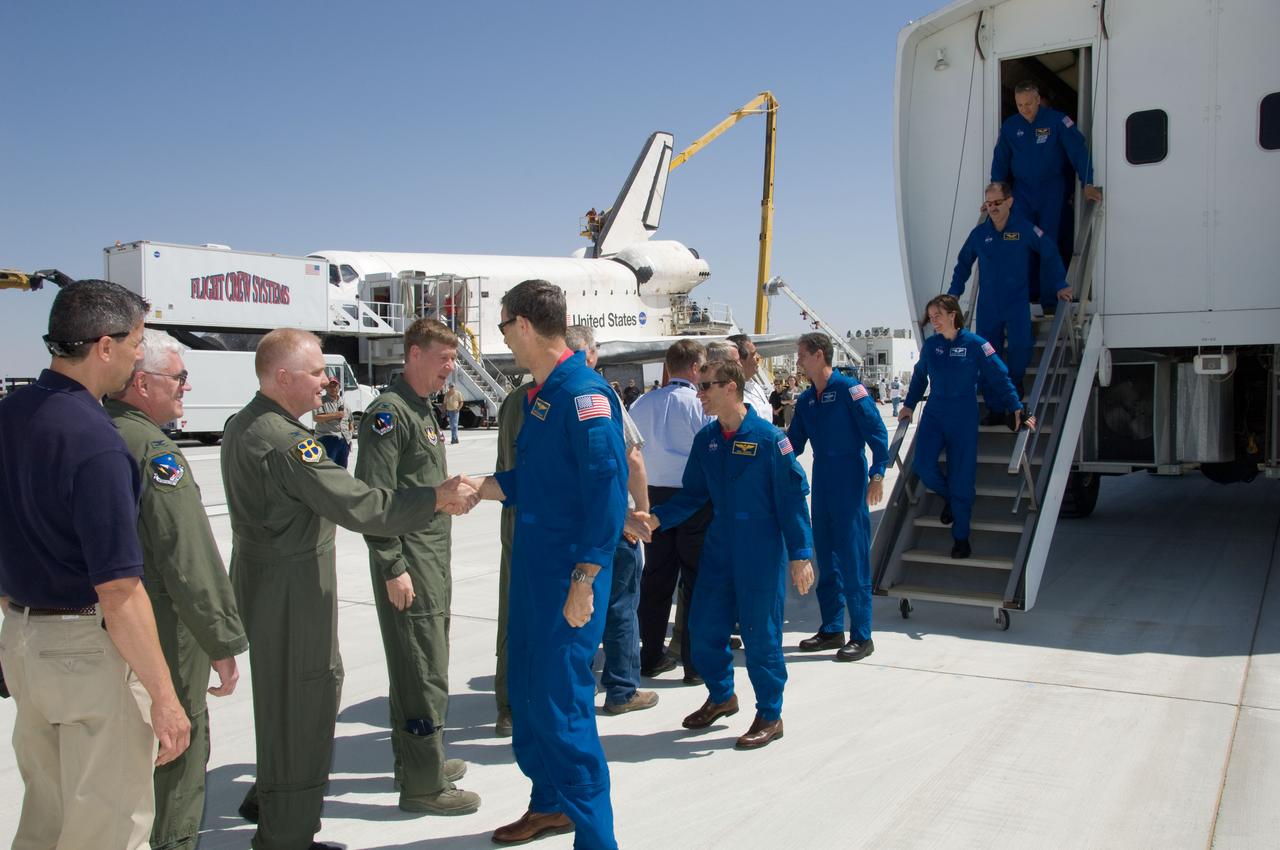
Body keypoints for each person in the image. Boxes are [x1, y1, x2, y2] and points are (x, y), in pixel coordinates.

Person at [223, 327, 477, 850]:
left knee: (282, 700)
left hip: (269, 583)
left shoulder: (243, 424)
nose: (326, 380)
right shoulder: (289, 441)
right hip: (294, 591)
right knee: (307, 698)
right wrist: (432, 503)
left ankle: (274, 796)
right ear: (284, 376)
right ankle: (287, 830)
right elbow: (365, 503)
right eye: (317, 371)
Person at [0, 279, 191, 850]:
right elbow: (119, 590)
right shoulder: (97, 443)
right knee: (106, 826)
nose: (139, 357)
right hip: (84, 653)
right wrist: (165, 698)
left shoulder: (10, 415)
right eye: (135, 342)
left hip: (25, 643)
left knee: (47, 818)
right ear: (104, 346)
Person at [466, 279, 628, 848]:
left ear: (525, 326)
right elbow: (541, 481)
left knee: (563, 709)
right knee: (530, 698)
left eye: (505, 326)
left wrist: (586, 576)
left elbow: (607, 491)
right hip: (535, 575)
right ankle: (550, 804)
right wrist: (482, 487)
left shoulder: (584, 393)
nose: (504, 338)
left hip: (568, 578)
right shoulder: (541, 394)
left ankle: (596, 837)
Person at [106, 330, 248, 850]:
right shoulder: (153, 450)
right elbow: (186, 555)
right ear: (141, 384)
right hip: (163, 625)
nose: (186, 388)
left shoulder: (93, 430)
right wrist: (222, 640)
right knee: (178, 746)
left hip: (98, 630)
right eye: (179, 378)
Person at [637, 359, 814, 750]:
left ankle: (770, 713)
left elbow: (792, 499)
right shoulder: (707, 441)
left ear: (730, 387)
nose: (699, 395)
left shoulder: (770, 440)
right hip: (719, 547)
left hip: (760, 551)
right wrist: (656, 519)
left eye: (706, 388)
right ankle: (722, 696)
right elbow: (694, 496)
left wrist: (801, 553)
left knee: (761, 636)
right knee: (703, 630)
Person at [353, 319, 480, 815]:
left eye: (453, 359)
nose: (451, 369)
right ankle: (423, 785)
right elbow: (374, 499)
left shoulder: (420, 410)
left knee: (422, 663)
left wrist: (448, 498)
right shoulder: (389, 414)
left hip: (430, 556)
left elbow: (417, 487)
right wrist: (391, 565)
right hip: (409, 560)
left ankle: (419, 760)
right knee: (422, 669)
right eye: (444, 359)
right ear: (414, 354)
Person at [565, 324, 658, 716]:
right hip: (611, 522)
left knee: (578, 607)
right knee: (619, 603)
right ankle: (621, 688)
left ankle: (578, 690)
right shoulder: (599, 394)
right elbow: (633, 456)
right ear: (589, 353)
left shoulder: (543, 394)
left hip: (571, 522)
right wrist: (642, 512)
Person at [899, 295, 1030, 560]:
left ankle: (961, 537)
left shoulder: (976, 344)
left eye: (937, 315)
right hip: (935, 414)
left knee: (963, 478)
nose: (933, 321)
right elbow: (919, 377)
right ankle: (949, 496)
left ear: (952, 315)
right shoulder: (931, 346)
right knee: (923, 465)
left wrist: (1016, 406)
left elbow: (999, 376)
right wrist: (910, 404)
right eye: (931, 316)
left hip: (963, 417)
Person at [788, 333, 890, 661]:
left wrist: (877, 475)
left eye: (803, 355)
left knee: (853, 556)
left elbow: (877, 434)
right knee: (827, 557)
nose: (799, 361)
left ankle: (863, 634)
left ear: (819, 355)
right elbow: (793, 443)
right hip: (823, 481)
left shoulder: (850, 390)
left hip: (850, 477)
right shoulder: (805, 400)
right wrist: (767, 449)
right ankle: (832, 628)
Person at [629, 340, 712, 684]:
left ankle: (650, 655)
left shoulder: (641, 402)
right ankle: (694, 663)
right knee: (694, 580)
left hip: (652, 498)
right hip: (691, 499)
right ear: (694, 368)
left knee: (655, 579)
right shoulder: (699, 405)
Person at [949, 181, 1069, 420]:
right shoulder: (980, 235)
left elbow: (1049, 251)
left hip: (1016, 304)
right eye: (989, 203)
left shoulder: (1024, 229)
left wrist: (1060, 285)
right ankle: (994, 408)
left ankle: (1013, 389)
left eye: (997, 203)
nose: (993, 208)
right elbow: (963, 263)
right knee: (988, 355)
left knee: (1020, 348)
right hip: (989, 306)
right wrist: (955, 292)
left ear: (1010, 202)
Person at [991, 80, 1101, 307]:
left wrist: (1087, 182)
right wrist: (995, 196)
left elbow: (1078, 151)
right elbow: (1000, 161)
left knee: (1047, 240)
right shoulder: (1011, 127)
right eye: (1020, 105)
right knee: (1021, 240)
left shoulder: (1057, 121)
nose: (1024, 109)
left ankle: (1050, 297)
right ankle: (1027, 294)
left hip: (1051, 188)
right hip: (1022, 191)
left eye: (1028, 104)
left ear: (1038, 100)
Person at [493, 371, 536, 738]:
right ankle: (514, 703)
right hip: (535, 519)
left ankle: (509, 703)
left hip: (515, 516)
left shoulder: (512, 399)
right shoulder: (540, 398)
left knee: (512, 609)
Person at [726, 333, 772, 416]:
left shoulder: (756, 387)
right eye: (753, 355)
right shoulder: (728, 393)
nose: (759, 357)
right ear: (739, 360)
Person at [314, 378, 352, 467]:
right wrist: (336, 415)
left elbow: (350, 422)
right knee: (329, 468)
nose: (333, 388)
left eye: (335, 386)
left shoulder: (344, 404)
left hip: (343, 441)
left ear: (339, 387)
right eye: (330, 386)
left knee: (342, 469)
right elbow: (316, 418)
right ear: (326, 388)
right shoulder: (321, 401)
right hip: (327, 439)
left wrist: (349, 437)